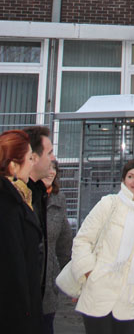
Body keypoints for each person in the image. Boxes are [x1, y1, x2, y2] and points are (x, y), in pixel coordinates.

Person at [69, 158, 134, 334]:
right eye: (131, 176)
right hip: (98, 292)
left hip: (130, 297)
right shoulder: (108, 204)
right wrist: (88, 273)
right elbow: (83, 239)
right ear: (123, 180)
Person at [0, 128, 43, 334]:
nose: (33, 163)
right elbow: (13, 267)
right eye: (30, 158)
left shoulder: (19, 197)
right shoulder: (7, 205)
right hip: (14, 316)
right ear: (13, 166)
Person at [25, 124, 57, 309]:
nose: (53, 158)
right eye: (49, 153)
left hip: (37, 301)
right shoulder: (16, 197)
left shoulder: (39, 193)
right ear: (34, 158)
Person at [42, 160, 73, 334]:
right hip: (24, 281)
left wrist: (72, 279)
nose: (51, 171)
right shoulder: (22, 196)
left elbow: (64, 241)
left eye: (54, 168)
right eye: (47, 167)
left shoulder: (59, 198)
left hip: (48, 282)